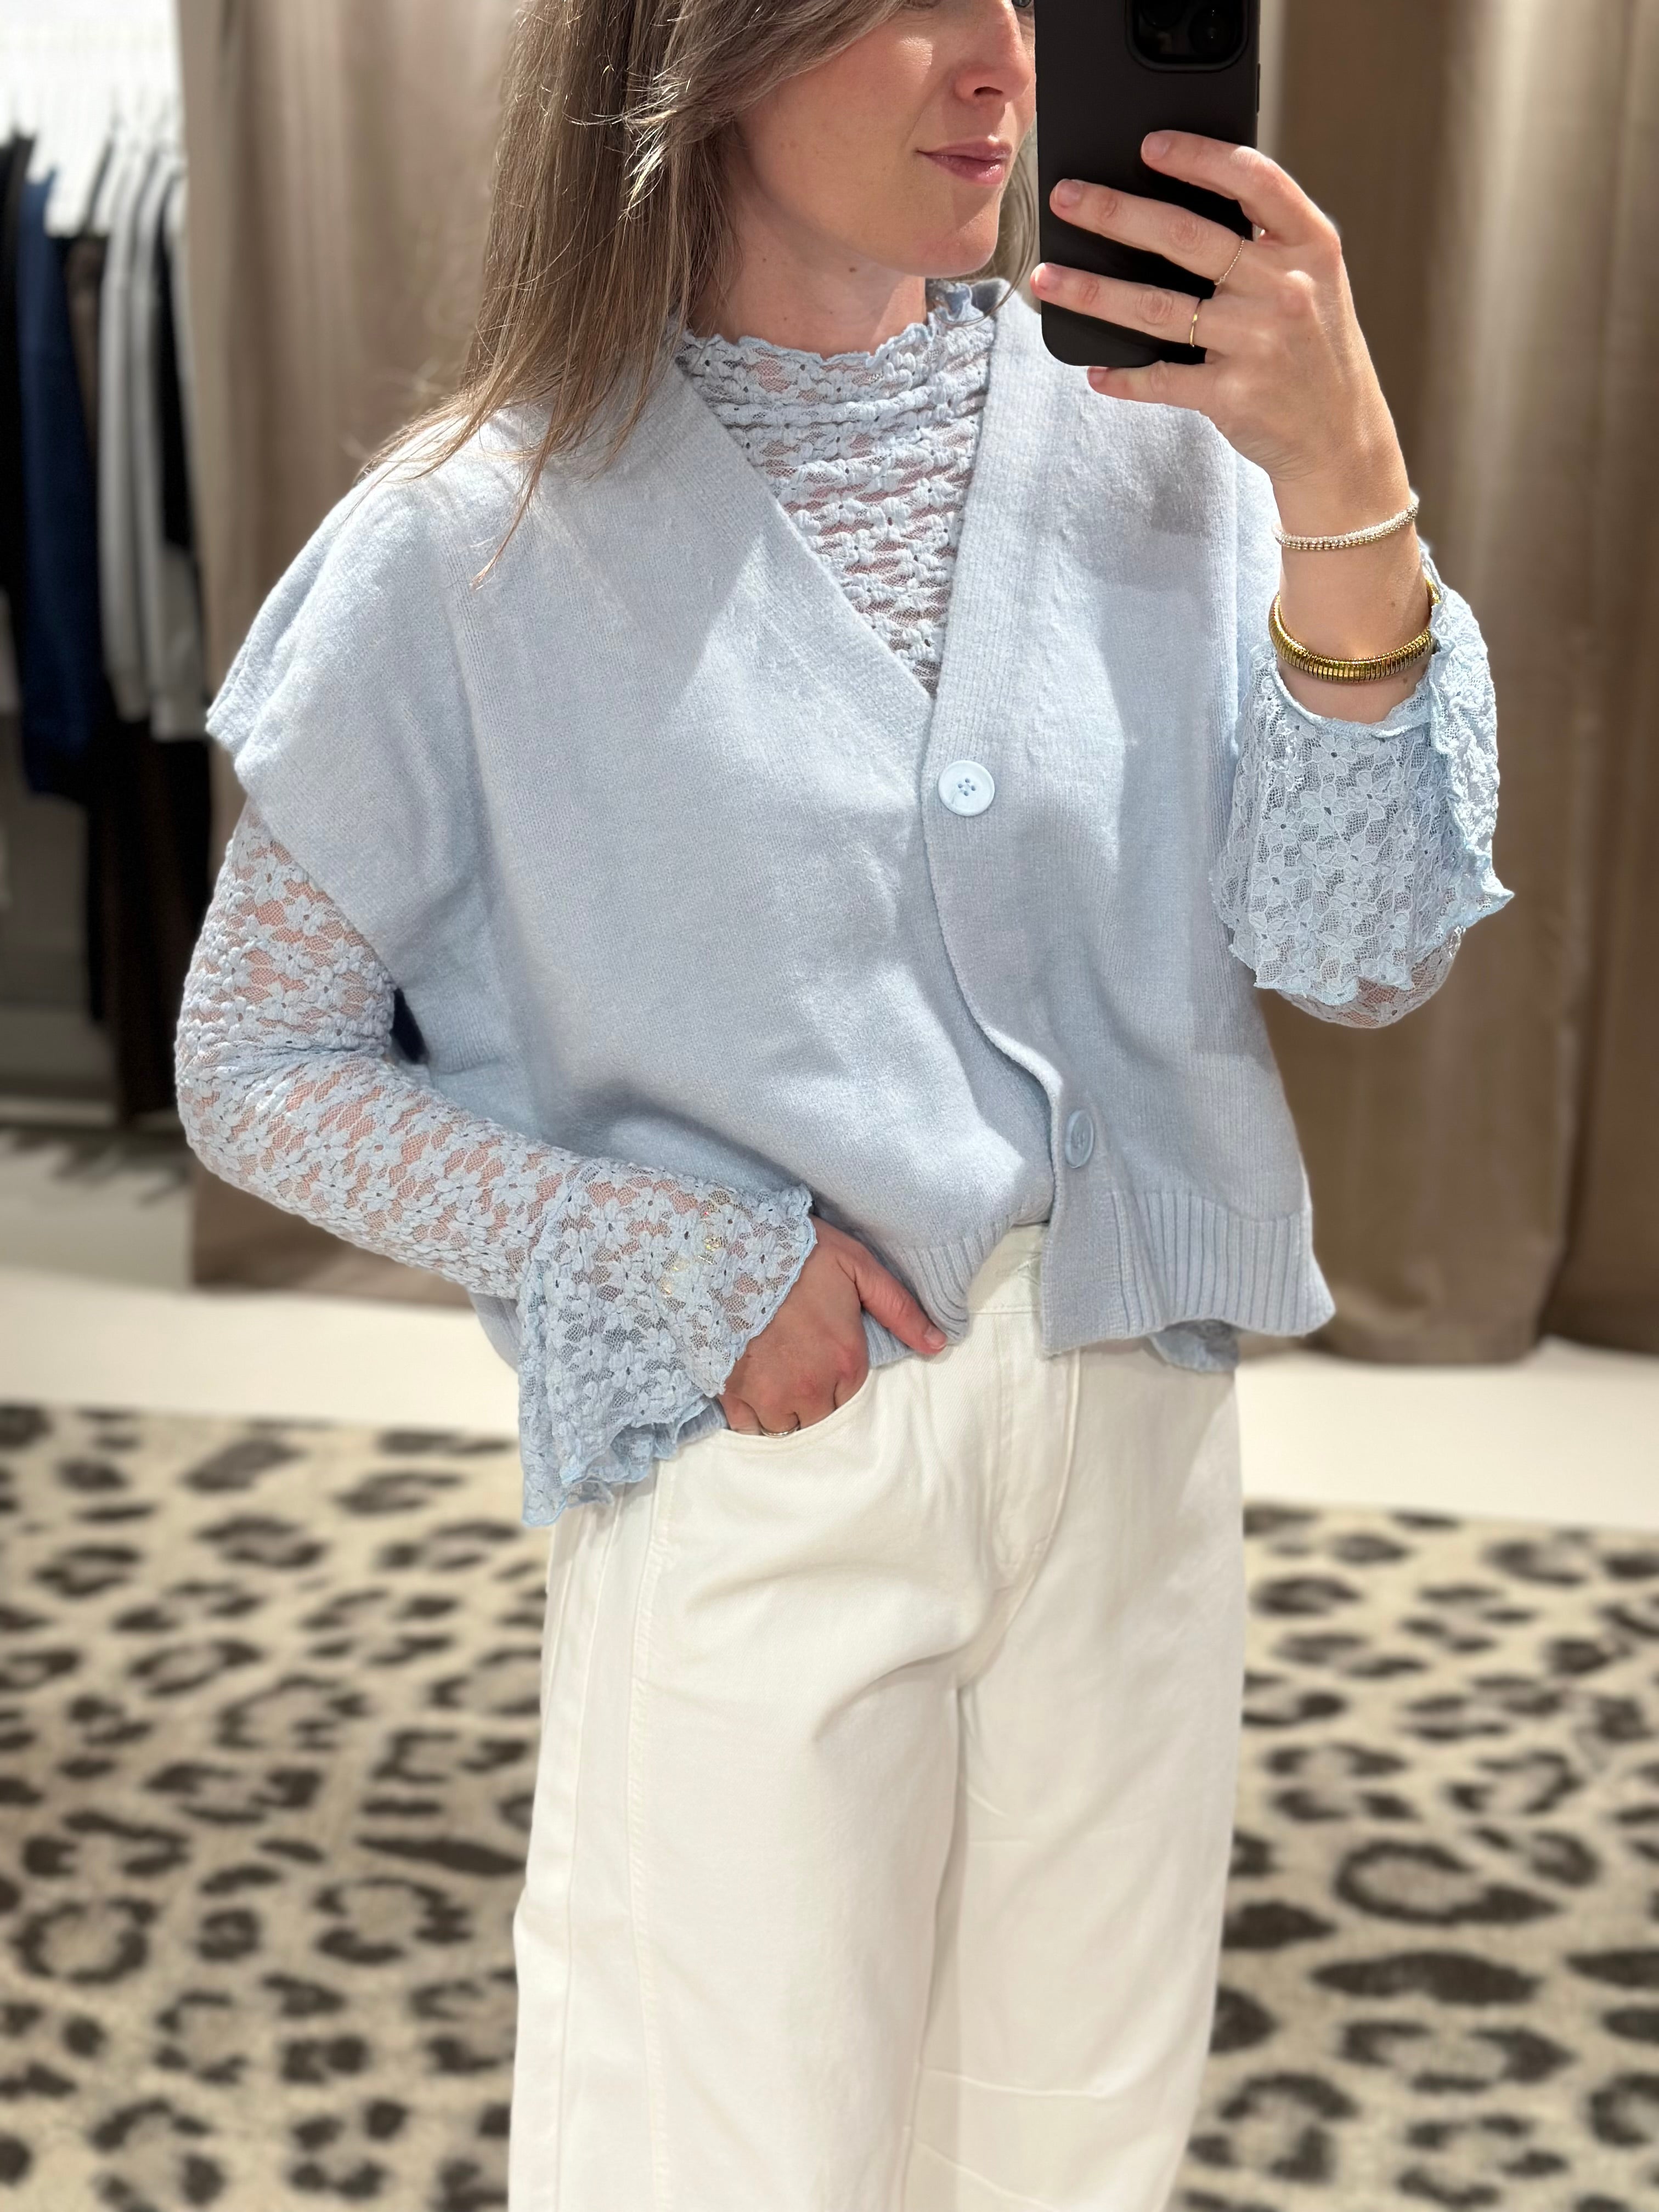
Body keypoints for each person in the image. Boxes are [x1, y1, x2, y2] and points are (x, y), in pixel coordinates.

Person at [173, 2, 1512, 2204]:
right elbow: (254, 1063)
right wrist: (686, 1265)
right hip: (768, 1450)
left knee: (1068, 2159)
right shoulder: (474, 538)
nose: (1001, 65)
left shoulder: (1167, 456)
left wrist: (1345, 480)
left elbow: (1366, 954)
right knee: (720, 2154)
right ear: (703, 44)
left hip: (1133, 1447)